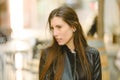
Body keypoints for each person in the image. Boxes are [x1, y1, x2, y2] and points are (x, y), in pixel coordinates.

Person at [39, 6, 102, 80]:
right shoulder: (47, 55)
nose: (55, 33)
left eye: (59, 27)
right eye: (52, 28)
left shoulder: (92, 55)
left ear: (73, 27)